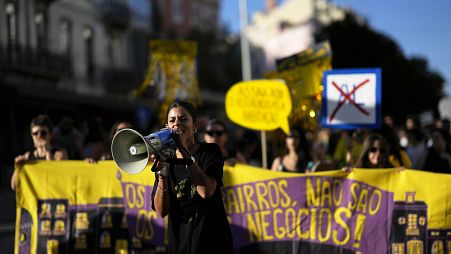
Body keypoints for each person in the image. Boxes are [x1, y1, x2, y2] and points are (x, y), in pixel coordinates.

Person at [151, 101, 233, 254]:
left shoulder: (210, 151)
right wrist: (162, 176)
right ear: (166, 127)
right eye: (172, 120)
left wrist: (183, 151)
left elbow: (206, 192)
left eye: (183, 119)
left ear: (195, 126)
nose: (177, 124)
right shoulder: (166, 158)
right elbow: (161, 211)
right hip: (179, 246)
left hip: (212, 244)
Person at [11, 115, 68, 190]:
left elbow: (54, 179)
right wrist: (19, 168)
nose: (39, 136)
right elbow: (14, 186)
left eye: (43, 133)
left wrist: (47, 151)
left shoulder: (59, 154)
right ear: (32, 136)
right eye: (35, 133)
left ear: (50, 135)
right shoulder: (28, 156)